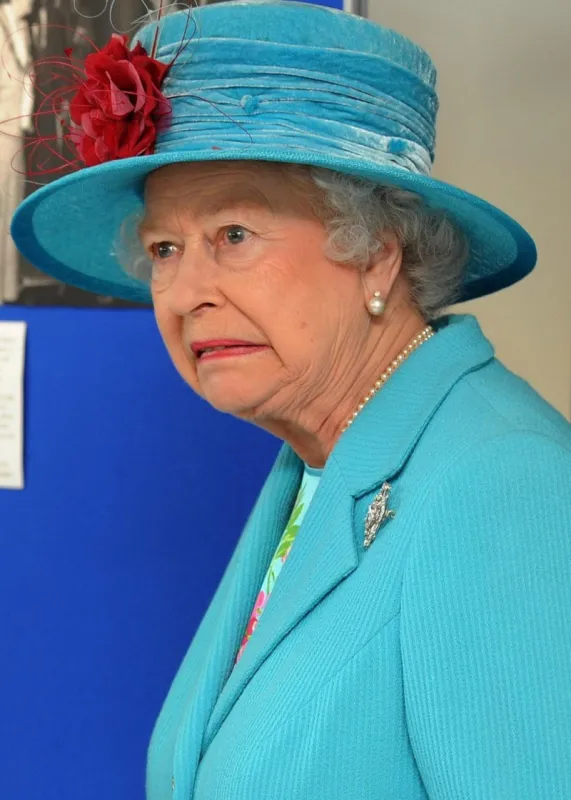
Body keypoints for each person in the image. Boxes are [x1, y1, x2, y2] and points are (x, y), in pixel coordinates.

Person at [10, 2, 571, 798]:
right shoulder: (315, 465)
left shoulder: (504, 486)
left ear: (376, 254)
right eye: (166, 248)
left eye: (234, 235)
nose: (186, 294)